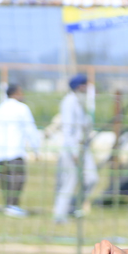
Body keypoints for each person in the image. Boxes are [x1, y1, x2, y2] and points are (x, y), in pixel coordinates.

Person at [0, 84, 42, 218]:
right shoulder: (22, 108)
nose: (23, 95)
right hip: (15, 150)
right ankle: (12, 206)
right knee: (17, 178)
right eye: (21, 92)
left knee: (4, 179)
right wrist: (36, 148)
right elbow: (30, 129)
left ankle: (8, 205)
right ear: (15, 93)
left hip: (0, 151)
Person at [52, 74, 99, 224]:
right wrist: (73, 151)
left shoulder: (81, 102)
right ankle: (60, 215)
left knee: (91, 178)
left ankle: (73, 207)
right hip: (72, 147)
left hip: (84, 146)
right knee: (69, 181)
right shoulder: (69, 102)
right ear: (80, 87)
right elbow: (68, 129)